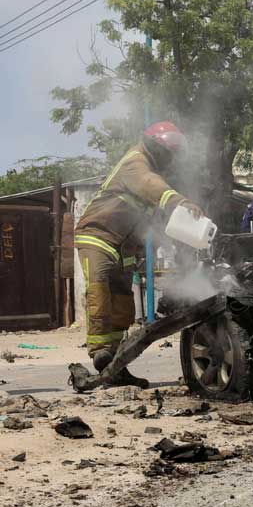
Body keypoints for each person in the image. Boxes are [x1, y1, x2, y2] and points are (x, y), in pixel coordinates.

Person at [75, 121, 204, 387]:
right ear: (157, 146)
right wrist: (178, 200)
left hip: (125, 246)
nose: (171, 159)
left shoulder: (150, 166)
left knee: (123, 300)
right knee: (99, 287)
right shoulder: (135, 161)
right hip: (98, 235)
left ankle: (115, 364)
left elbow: (153, 225)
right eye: (169, 153)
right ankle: (100, 352)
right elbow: (150, 184)